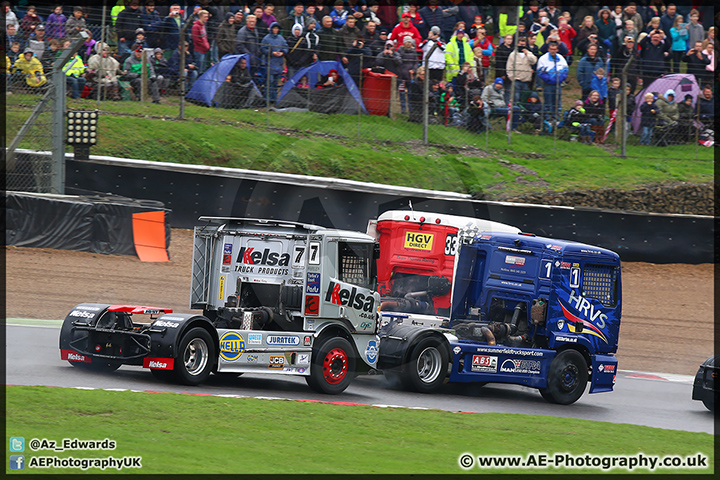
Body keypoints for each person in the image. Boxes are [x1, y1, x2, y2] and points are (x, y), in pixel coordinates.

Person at [536, 41, 568, 119]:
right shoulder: (543, 59)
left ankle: (556, 118)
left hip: (558, 84)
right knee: (548, 102)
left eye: (554, 49)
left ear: (557, 49)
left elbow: (565, 69)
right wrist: (549, 79)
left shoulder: (560, 58)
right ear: (548, 49)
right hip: (548, 84)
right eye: (551, 49)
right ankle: (547, 118)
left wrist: (561, 78)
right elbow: (540, 72)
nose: (553, 51)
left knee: (557, 101)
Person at [259, 22, 288, 103]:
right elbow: (263, 49)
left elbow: (286, 47)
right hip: (270, 63)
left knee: (275, 82)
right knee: (269, 82)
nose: (276, 30)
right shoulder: (266, 38)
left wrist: (283, 52)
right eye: (274, 28)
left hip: (278, 63)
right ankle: (267, 99)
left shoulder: (281, 38)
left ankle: (274, 99)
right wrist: (271, 53)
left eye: (277, 28)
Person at [505, 36, 537, 105]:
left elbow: (534, 61)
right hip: (516, 80)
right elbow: (509, 67)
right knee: (515, 98)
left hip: (525, 80)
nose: (522, 46)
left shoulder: (529, 53)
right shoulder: (513, 54)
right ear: (517, 44)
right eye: (521, 44)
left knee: (524, 99)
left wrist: (527, 53)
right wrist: (512, 78)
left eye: (523, 44)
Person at [192, 10, 211, 74]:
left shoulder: (203, 25)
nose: (207, 18)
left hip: (204, 50)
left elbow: (204, 37)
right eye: (205, 17)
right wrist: (205, 46)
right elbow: (196, 40)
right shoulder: (196, 26)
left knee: (203, 69)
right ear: (200, 17)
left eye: (207, 17)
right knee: (199, 69)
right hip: (199, 51)